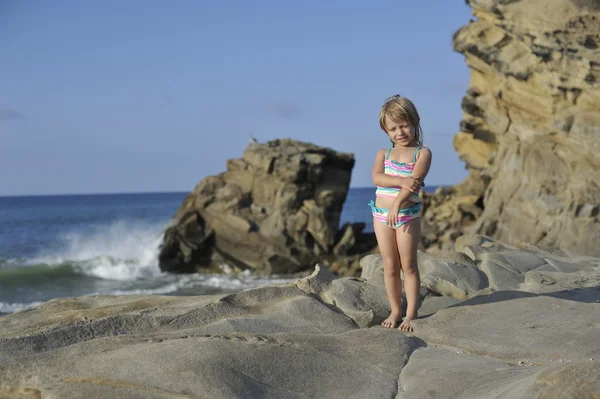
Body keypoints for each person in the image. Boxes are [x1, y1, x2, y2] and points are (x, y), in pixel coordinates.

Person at [369, 94, 432, 332]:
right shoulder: (383, 155)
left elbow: (414, 183)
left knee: (409, 266)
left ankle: (410, 314)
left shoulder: (422, 154)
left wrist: (397, 204)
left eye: (404, 125)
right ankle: (395, 310)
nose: (400, 132)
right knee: (390, 265)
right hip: (380, 216)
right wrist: (400, 180)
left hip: (406, 216)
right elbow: (377, 177)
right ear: (386, 131)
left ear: (414, 122)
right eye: (393, 128)